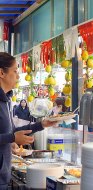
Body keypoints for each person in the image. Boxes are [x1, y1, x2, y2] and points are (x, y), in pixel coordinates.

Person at [0, 52, 58, 189]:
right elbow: (12, 135)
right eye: (15, 71)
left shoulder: (6, 101)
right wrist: (12, 138)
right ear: (2, 73)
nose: (18, 76)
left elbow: (12, 131)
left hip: (4, 175)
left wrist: (41, 125)